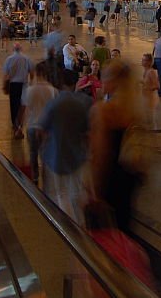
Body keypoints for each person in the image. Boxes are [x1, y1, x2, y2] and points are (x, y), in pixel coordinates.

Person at [89, 60, 146, 233]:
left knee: (106, 234)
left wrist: (96, 192)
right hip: (129, 179)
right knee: (124, 225)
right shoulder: (135, 111)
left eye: (105, 78)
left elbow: (101, 154)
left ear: (113, 81)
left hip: (110, 180)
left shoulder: (104, 111)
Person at [37, 71, 92, 223]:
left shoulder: (53, 104)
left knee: (61, 193)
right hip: (77, 155)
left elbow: (42, 129)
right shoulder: (82, 104)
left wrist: (43, 149)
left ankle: (68, 225)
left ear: (60, 85)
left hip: (57, 155)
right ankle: (80, 222)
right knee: (76, 190)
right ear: (74, 84)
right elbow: (87, 132)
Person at [24, 63, 57, 184]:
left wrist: (21, 126)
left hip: (32, 126)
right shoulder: (52, 90)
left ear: (37, 74)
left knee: (33, 153)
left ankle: (35, 177)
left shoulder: (29, 90)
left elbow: (27, 109)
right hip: (47, 128)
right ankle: (46, 177)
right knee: (45, 154)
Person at [2, 43, 33, 138]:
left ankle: (14, 124)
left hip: (13, 85)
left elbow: (6, 74)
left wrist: (4, 85)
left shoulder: (9, 59)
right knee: (23, 106)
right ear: (21, 49)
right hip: (24, 84)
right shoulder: (26, 58)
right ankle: (20, 125)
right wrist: (30, 82)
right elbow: (32, 72)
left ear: (13, 49)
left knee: (14, 105)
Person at [140, 54, 159, 128]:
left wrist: (147, 88)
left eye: (144, 60)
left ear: (149, 62)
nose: (142, 61)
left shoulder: (151, 72)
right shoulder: (145, 71)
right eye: (142, 60)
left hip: (150, 98)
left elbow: (157, 85)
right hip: (145, 97)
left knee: (150, 118)